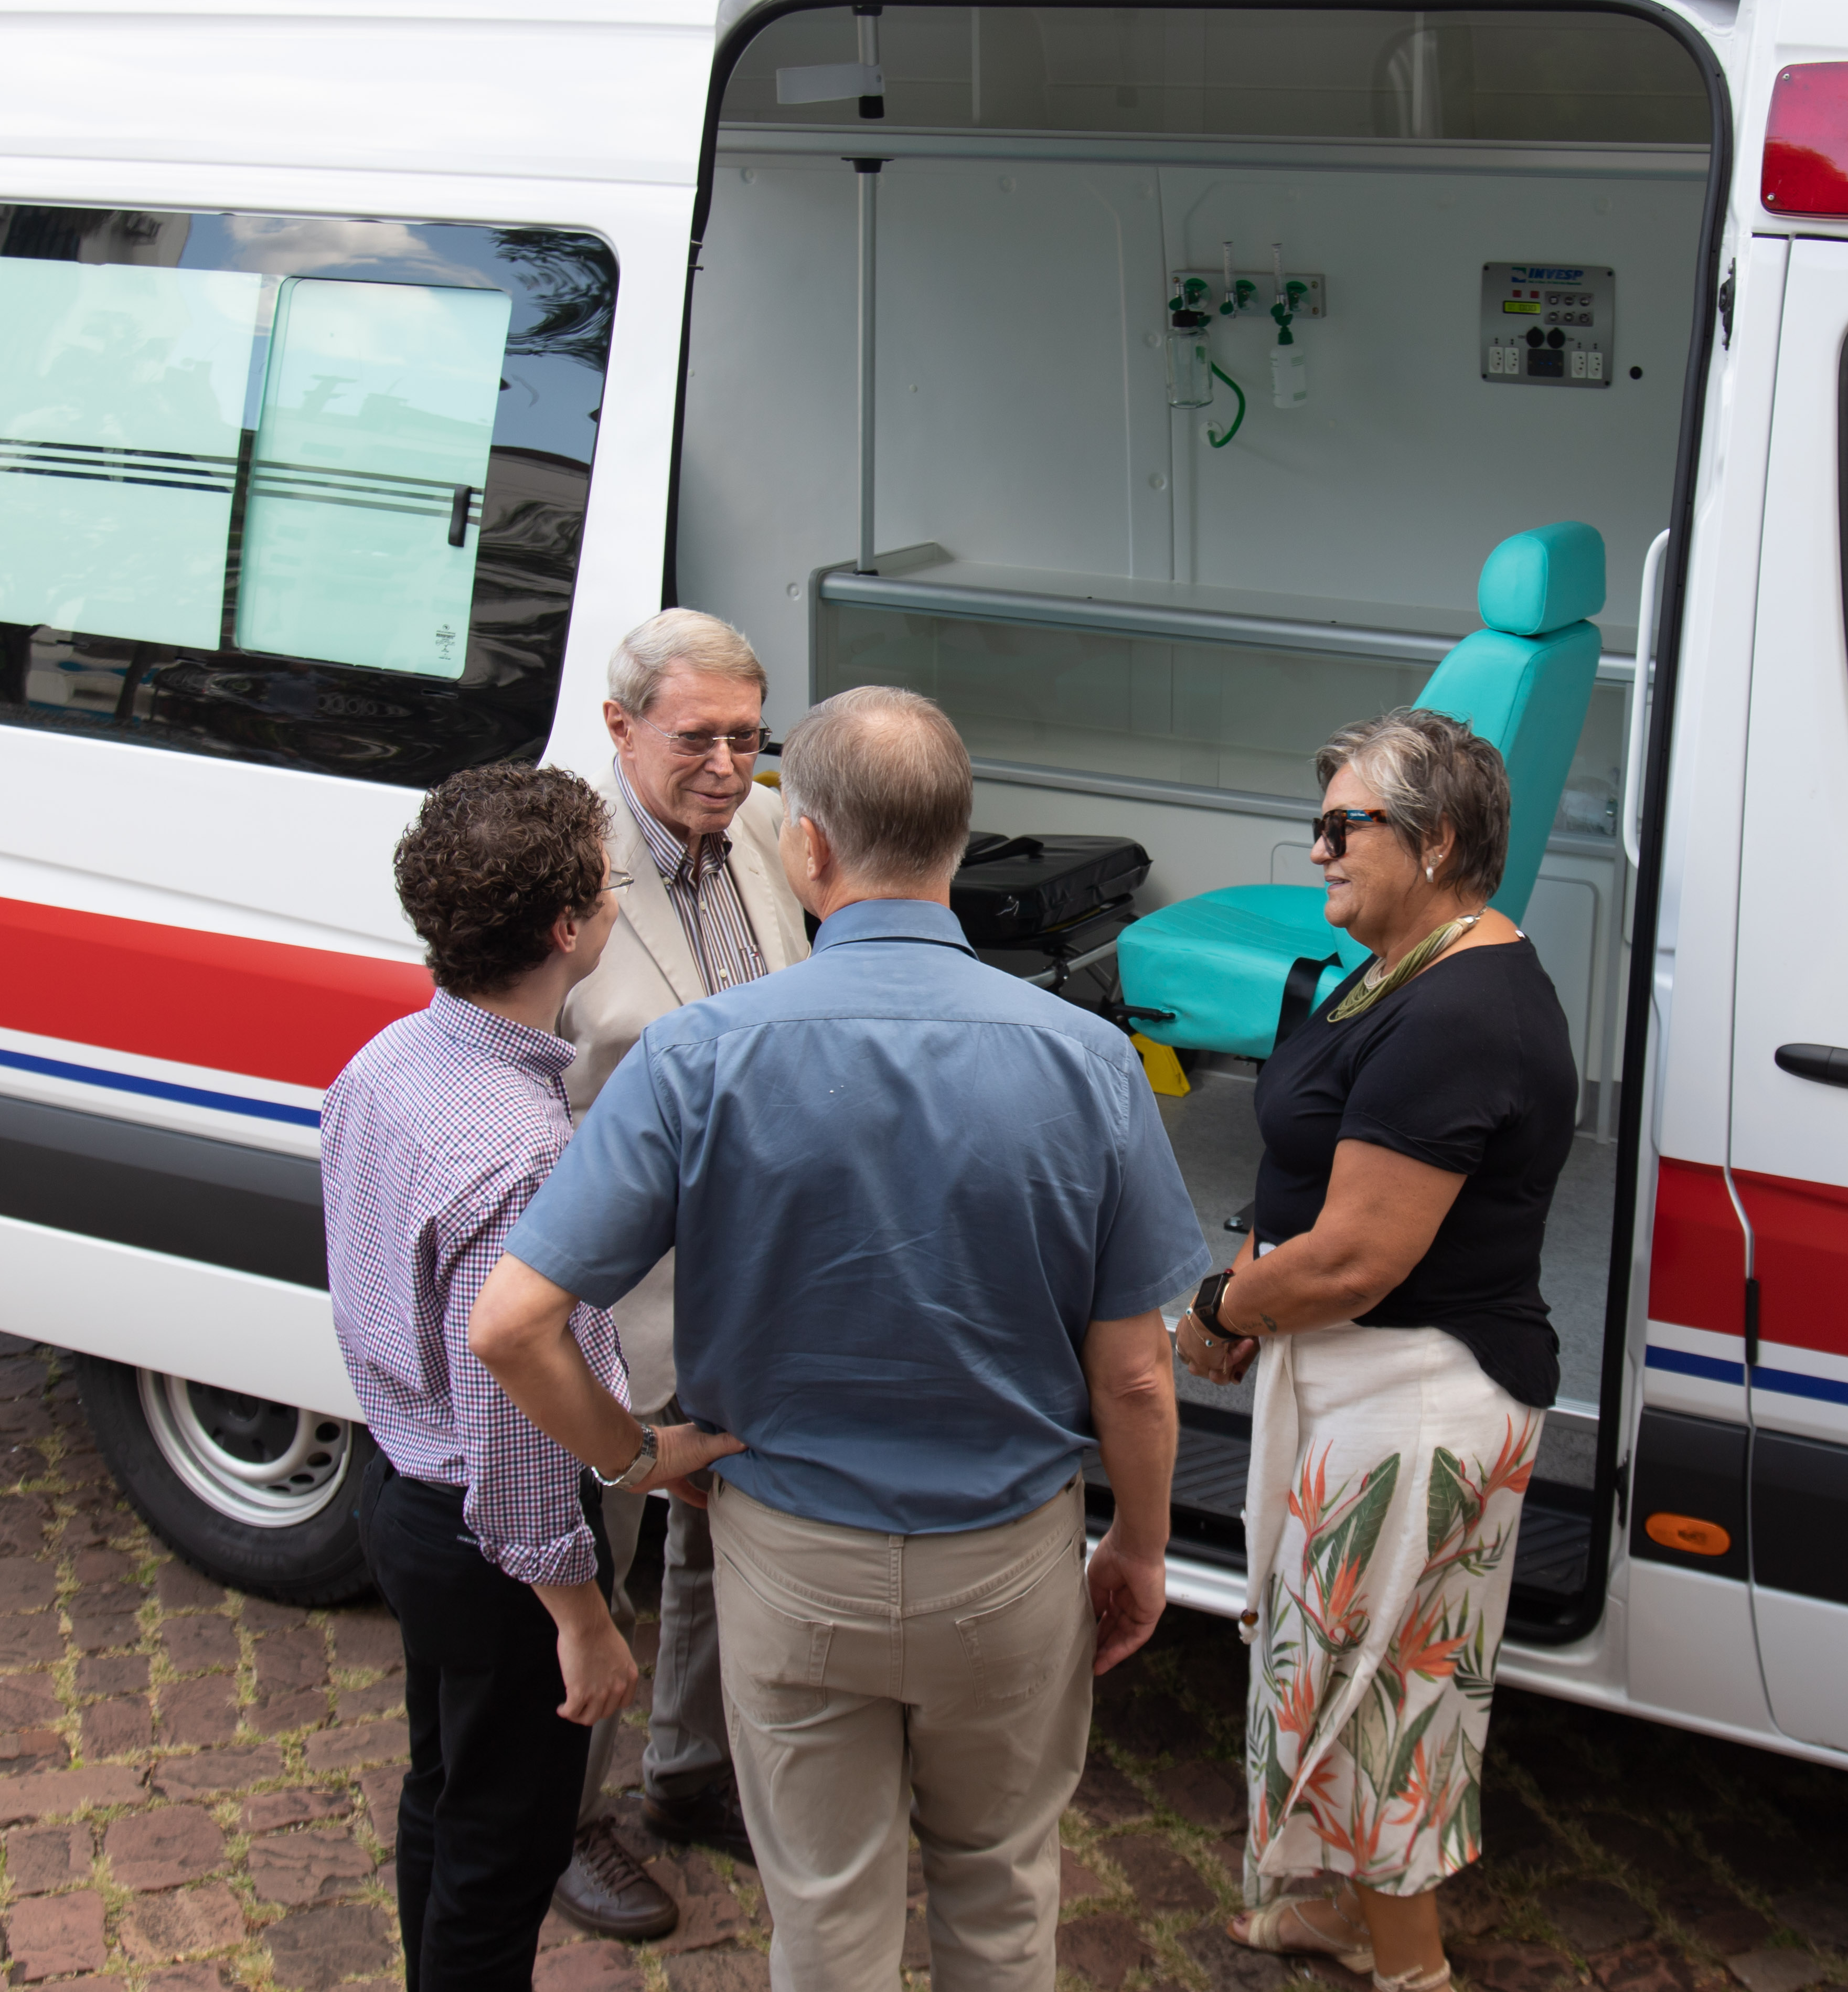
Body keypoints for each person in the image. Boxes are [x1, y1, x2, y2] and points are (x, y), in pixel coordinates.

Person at [472, 685, 1201, 1992]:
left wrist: (636, 1456)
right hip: (1007, 1557)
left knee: (826, 1911)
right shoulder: (1092, 1062)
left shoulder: (696, 1055)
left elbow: (514, 1325)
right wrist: (1137, 1543)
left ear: (806, 848)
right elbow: (1137, 1372)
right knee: (1000, 1887)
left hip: (794, 1559)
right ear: (961, 844)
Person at [1176, 708, 1573, 1992]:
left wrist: (1222, 1311)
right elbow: (1314, 1184)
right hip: (1368, 1379)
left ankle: (1412, 1973)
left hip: (1416, 1396)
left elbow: (1356, 1256)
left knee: (1382, 1702)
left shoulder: (1461, 1010)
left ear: (1438, 837)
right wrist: (1259, 1281)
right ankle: (1343, 1917)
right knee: (1344, 1674)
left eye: (1343, 826)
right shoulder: (1404, 958)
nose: (1319, 850)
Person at [320, 763, 658, 1992]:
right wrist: (583, 1618)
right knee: (503, 1856)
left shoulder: (386, 1060)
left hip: (400, 1495)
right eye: (611, 882)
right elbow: (514, 1422)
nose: (620, 899)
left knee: (440, 1792)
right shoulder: (524, 1152)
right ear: (567, 930)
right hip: (492, 1545)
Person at [554, 609, 814, 1881]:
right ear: (619, 728)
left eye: (747, 738)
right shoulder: (560, 865)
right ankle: (562, 1821)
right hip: (620, 1292)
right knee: (591, 1551)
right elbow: (513, 1084)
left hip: (752, 1280)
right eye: (697, 738)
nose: (726, 764)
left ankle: (692, 1777)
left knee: (725, 1535)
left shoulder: (768, 830)